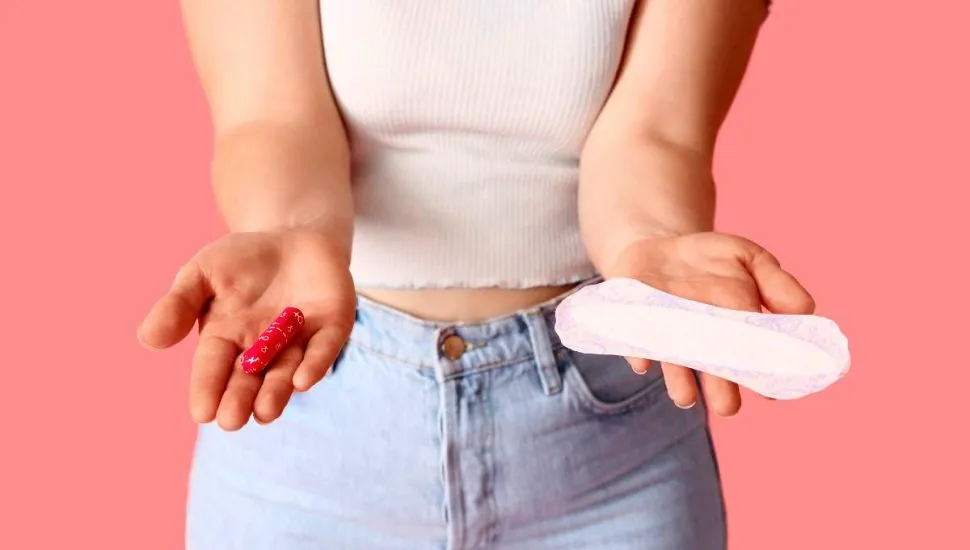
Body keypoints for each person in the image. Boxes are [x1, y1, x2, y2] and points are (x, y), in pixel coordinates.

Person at [137, 1, 813, 548]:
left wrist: (655, 240)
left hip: (609, 446)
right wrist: (290, 230)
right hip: (310, 420)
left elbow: (656, 134)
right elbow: (271, 117)